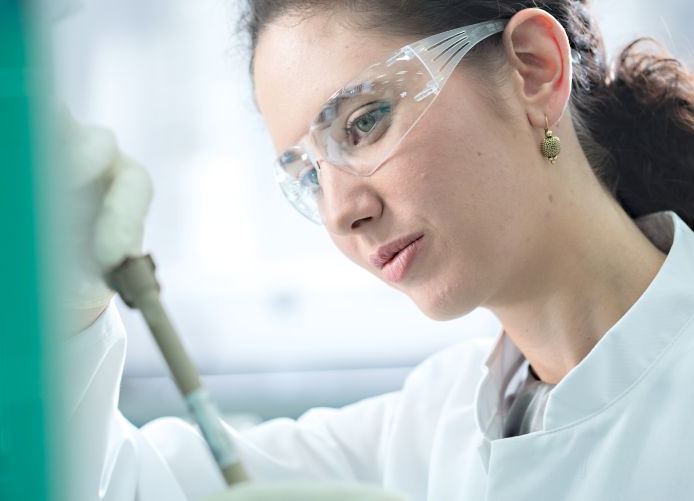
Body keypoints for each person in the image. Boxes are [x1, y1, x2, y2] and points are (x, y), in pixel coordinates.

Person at [65, 1, 694, 499]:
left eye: (363, 123)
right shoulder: (426, 431)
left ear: (534, 69)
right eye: (309, 175)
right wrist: (68, 308)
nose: (341, 213)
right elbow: (118, 485)